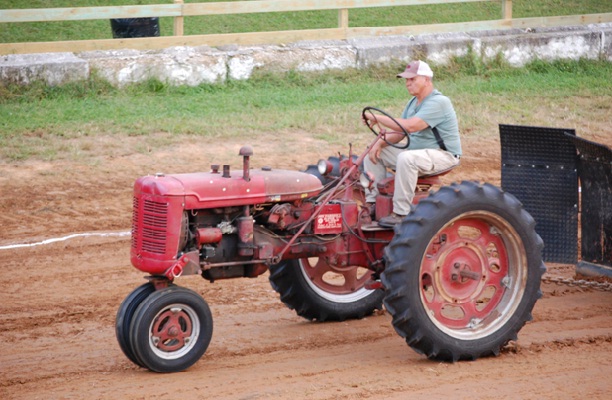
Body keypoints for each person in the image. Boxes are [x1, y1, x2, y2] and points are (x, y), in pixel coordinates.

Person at [362, 60, 462, 227]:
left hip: (443, 154)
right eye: (406, 80)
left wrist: (376, 117)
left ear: (427, 80)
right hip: (418, 152)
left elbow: (411, 126)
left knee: (407, 159)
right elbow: (401, 132)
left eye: (412, 79)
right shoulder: (413, 102)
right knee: (371, 153)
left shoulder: (439, 102)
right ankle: (372, 204)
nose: (408, 83)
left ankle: (401, 213)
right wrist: (379, 144)